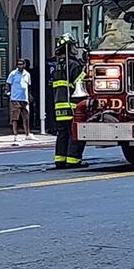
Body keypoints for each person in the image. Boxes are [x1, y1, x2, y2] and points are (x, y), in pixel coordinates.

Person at [52, 35, 88, 169]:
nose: (74, 48)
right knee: (75, 133)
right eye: (72, 46)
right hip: (72, 105)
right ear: (67, 48)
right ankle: (73, 160)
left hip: (59, 106)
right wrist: (85, 71)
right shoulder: (73, 64)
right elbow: (80, 84)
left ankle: (60, 160)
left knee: (62, 133)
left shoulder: (58, 66)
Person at [5, 60, 34, 144]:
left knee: (26, 117)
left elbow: (28, 86)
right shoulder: (13, 74)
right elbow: (8, 84)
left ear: (24, 65)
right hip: (15, 98)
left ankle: (27, 134)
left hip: (24, 99)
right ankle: (15, 135)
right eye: (18, 64)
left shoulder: (27, 74)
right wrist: (8, 92)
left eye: (21, 64)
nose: (19, 66)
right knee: (15, 117)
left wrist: (29, 96)